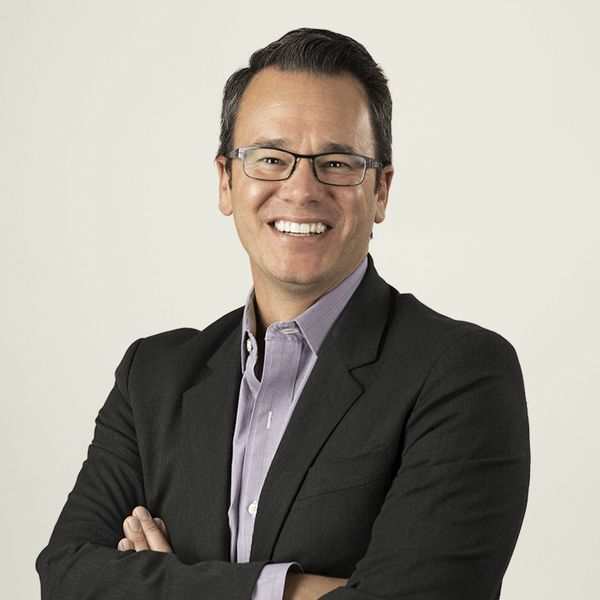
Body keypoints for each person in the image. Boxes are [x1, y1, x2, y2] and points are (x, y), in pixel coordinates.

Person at [36, 28, 530, 600]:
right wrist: (290, 589)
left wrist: (166, 583)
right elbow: (65, 576)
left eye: (337, 163)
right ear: (226, 181)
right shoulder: (151, 377)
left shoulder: (461, 373)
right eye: (270, 159)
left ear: (380, 191)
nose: (301, 189)